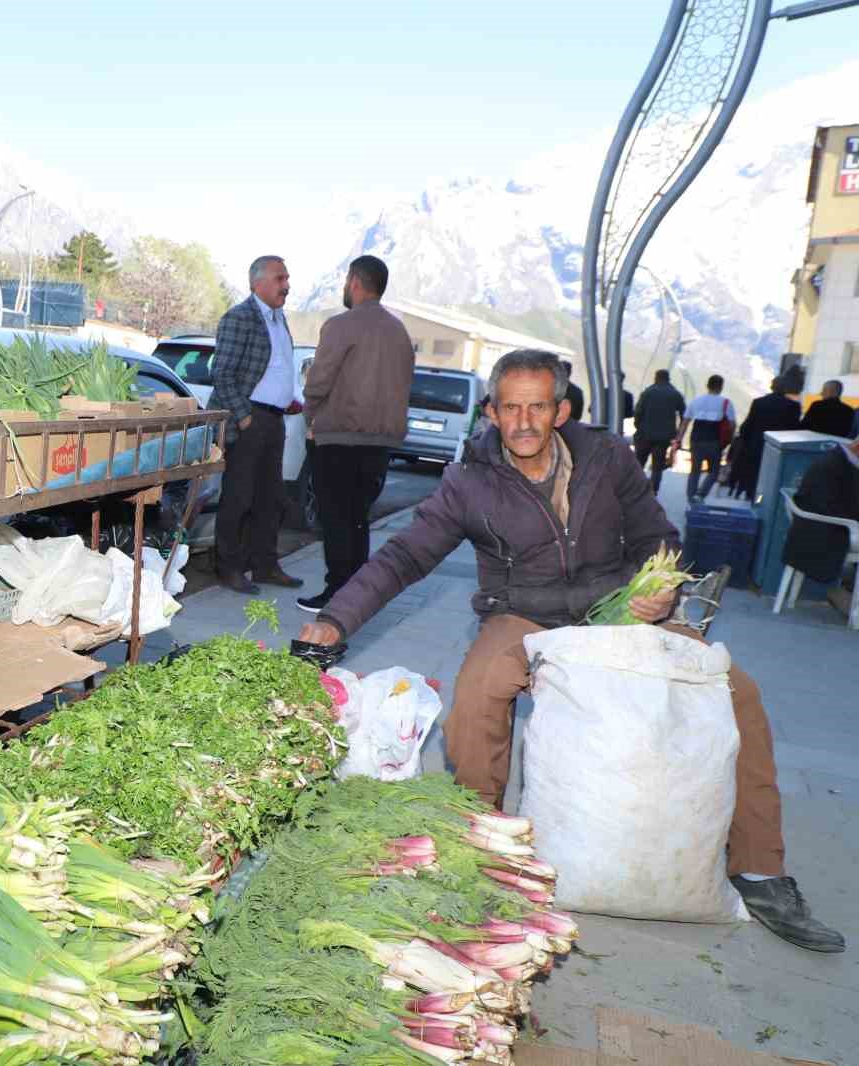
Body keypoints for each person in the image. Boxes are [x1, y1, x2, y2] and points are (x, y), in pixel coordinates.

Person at [298, 348, 843, 953]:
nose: (524, 422)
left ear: (560, 410)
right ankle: (478, 844)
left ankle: (762, 871)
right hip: (524, 614)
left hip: (619, 611)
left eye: (537, 407)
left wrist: (657, 589)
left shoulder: (607, 458)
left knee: (736, 692)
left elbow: (656, 536)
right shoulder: (469, 482)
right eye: (510, 408)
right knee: (476, 695)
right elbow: (404, 556)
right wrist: (334, 620)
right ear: (492, 412)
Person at [297, 254, 416, 612]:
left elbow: (319, 380)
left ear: (354, 281)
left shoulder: (341, 325)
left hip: (340, 437)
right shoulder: (399, 332)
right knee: (357, 519)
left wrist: (310, 416)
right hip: (380, 444)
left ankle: (336, 594)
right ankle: (355, 595)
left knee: (335, 519)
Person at [208, 255, 304, 594]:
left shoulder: (279, 319)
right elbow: (222, 374)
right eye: (280, 278)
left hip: (275, 420)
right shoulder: (239, 317)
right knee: (238, 498)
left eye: (287, 278)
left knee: (270, 498)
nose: (287, 286)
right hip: (248, 419)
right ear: (257, 282)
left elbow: (274, 367)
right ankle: (229, 569)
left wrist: (288, 398)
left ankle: (264, 565)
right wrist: (244, 416)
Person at [782, 436, 859, 586]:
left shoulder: (836, 458)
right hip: (823, 530)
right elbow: (834, 507)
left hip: (814, 525)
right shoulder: (836, 465)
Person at [726, 375, 803, 499]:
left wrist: (745, 441)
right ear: (785, 389)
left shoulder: (759, 402)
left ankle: (750, 495)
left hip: (756, 445)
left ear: (772, 387)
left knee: (754, 473)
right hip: (780, 448)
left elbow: (748, 425)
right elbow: (795, 429)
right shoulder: (793, 406)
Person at [679, 374, 736, 505]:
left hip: (696, 438)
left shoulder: (696, 401)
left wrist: (679, 438)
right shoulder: (725, 402)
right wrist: (729, 441)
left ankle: (691, 497)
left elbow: (685, 422)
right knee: (714, 471)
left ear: (707, 385)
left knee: (695, 470)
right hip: (714, 440)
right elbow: (732, 424)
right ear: (721, 387)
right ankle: (700, 494)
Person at [631, 369, 687, 495]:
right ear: (668, 379)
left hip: (645, 434)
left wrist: (638, 426)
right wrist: (678, 434)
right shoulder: (675, 394)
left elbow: (638, 411)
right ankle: (653, 490)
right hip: (664, 437)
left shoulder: (648, 392)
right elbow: (685, 415)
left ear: (656, 378)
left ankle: (635, 488)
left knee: (639, 462)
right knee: (657, 465)